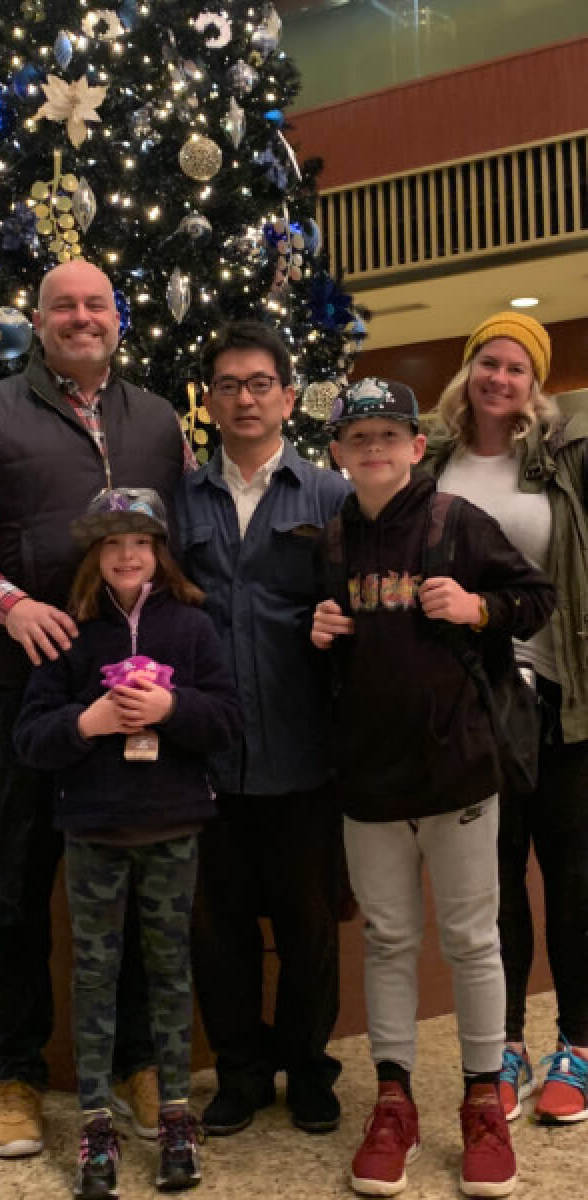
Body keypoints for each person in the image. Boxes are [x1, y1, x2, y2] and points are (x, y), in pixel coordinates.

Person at [312, 377, 555, 1197]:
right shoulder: (333, 543)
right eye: (358, 438)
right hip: (369, 782)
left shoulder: (459, 523)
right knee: (387, 942)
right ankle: (394, 1103)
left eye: (389, 435)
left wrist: (478, 608)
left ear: (419, 447)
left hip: (457, 775)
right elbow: (338, 658)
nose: (374, 449)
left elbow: (536, 600)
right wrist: (320, 631)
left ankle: (483, 1102)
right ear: (339, 454)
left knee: (471, 942)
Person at [0, 260, 192, 1158]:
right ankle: (15, 1073)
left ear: (119, 317)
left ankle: (145, 1061)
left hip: (142, 689)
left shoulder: (156, 419)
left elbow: (187, 542)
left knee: (141, 865)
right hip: (28, 684)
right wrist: (9, 602)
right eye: (63, 305)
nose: (82, 317)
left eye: (96, 304)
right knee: (19, 882)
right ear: (38, 320)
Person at [13, 487, 241, 1197]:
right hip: (94, 831)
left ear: (159, 551)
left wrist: (173, 709)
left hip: (174, 826)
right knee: (94, 976)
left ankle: (175, 1112)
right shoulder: (72, 631)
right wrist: (87, 724)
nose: (126, 555)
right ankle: (94, 1122)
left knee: (170, 971)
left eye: (139, 542)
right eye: (111, 544)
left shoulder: (195, 626)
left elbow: (226, 721)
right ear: (95, 554)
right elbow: (31, 737)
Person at [176, 320, 350, 1137]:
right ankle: (241, 1073)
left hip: (304, 752)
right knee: (219, 929)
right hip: (207, 757)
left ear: (287, 394)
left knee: (310, 928)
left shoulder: (330, 495)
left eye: (259, 383)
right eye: (227, 386)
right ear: (208, 403)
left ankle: (309, 1070)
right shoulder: (182, 501)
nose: (243, 398)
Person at [422, 311, 588, 1126]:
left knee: (574, 879)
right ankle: (509, 1042)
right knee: (495, 884)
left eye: (518, 368)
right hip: (475, 704)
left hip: (566, 698)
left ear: (536, 384)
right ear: (467, 371)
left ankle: (580, 1047)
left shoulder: (561, 460)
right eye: (488, 363)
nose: (500, 378)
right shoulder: (434, 465)